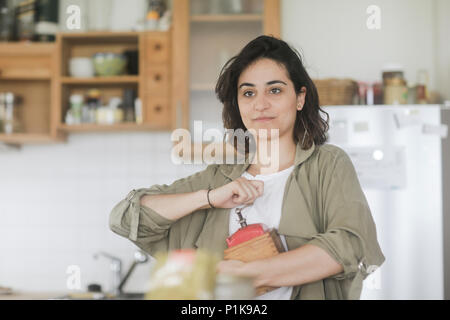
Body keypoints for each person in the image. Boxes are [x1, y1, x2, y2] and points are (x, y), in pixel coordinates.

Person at [109, 35, 385, 300]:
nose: (260, 104)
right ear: (238, 104)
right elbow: (127, 218)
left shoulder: (328, 164)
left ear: (300, 98)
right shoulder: (220, 176)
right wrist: (208, 198)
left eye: (275, 90)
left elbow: (349, 245)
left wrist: (247, 274)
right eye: (248, 93)